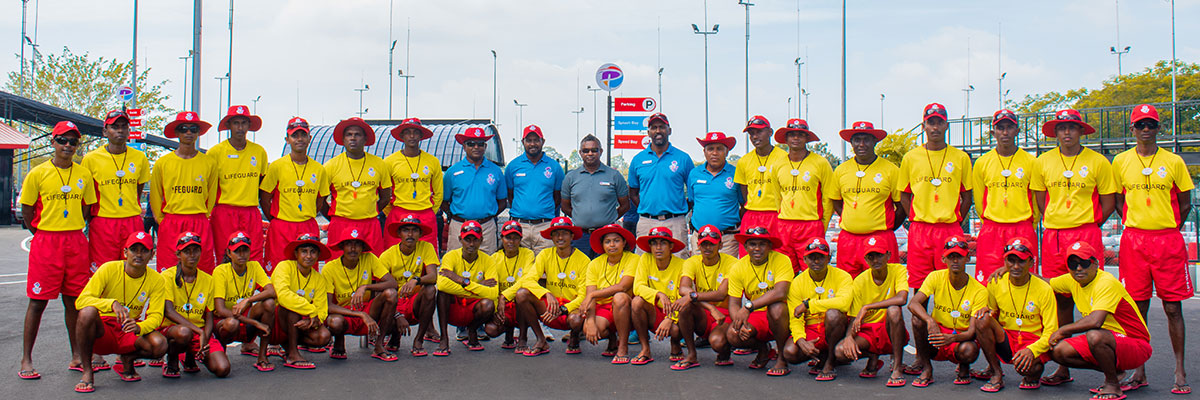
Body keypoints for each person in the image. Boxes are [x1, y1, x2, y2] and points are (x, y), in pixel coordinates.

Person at [1029, 108, 1117, 385]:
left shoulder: (1098, 161)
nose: (1067, 132)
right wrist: (1059, 222)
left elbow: (1108, 203)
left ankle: (1109, 365)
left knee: (1093, 299)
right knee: (1060, 297)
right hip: (1055, 235)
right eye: (1062, 128)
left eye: (1072, 127)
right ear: (1055, 133)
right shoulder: (1043, 162)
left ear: (1081, 131)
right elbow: (1041, 201)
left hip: (1086, 233)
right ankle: (1063, 365)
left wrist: (1086, 225)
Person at [1111, 104, 1193, 394]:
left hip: (1166, 241)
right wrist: (1137, 224)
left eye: (1151, 124)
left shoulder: (1173, 162)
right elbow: (1119, 200)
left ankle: (1180, 369)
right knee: (1137, 307)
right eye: (1140, 124)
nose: (1146, 129)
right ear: (1132, 129)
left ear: (1159, 128)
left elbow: (1185, 203)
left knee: (1172, 307)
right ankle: (1139, 369)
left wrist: (1166, 227)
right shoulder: (1120, 161)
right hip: (1135, 240)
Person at [19, 121, 98, 380]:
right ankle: (26, 359)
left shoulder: (84, 174)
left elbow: (87, 209)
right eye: (62, 140)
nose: (67, 145)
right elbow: (27, 212)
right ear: (52, 142)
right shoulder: (38, 173)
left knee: (74, 301)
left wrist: (70, 229)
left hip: (75, 242)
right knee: (38, 302)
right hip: (47, 242)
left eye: (73, 141)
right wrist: (43, 234)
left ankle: (77, 355)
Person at [1046, 241, 1152, 400]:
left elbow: (1096, 321)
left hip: (1135, 343)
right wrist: (1008, 270)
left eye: (1084, 263)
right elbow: (1042, 281)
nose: (1079, 268)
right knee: (1058, 351)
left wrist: (1062, 330)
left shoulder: (1105, 282)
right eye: (1073, 264)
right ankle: (1115, 372)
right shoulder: (1071, 280)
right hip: (1107, 341)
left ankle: (1113, 385)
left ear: (1095, 264)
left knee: (1095, 335)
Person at [73, 231, 169, 392]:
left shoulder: (157, 279)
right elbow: (81, 301)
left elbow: (156, 315)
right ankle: (87, 372)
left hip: (129, 328)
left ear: (152, 254)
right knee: (87, 312)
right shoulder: (108, 269)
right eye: (134, 249)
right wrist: (111, 304)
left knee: (160, 345)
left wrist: (140, 327)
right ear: (125, 252)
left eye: (144, 250)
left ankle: (128, 359)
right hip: (104, 329)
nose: (138, 255)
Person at [898, 103, 973, 289]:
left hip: (949, 228)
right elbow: (904, 195)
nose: (935, 128)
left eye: (940, 123)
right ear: (924, 126)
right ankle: (920, 318)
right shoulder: (911, 157)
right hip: (920, 230)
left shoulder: (960, 158)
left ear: (947, 125)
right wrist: (914, 218)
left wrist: (956, 220)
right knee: (919, 283)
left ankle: (948, 317)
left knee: (951, 281)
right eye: (931, 123)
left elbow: (967, 197)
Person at [972, 237, 1057, 392]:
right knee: (981, 319)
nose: (1016, 266)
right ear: (1005, 262)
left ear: (1031, 263)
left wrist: (1032, 350)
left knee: (1031, 372)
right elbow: (992, 312)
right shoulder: (996, 282)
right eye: (1011, 261)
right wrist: (986, 311)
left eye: (1022, 261)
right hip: (1008, 338)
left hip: (1032, 339)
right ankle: (996, 372)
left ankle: (1032, 372)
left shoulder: (1045, 289)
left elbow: (1051, 331)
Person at [907, 236, 987, 387]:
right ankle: (927, 368)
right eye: (951, 256)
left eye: (959, 256)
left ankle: (964, 367)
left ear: (968, 258)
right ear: (944, 259)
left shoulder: (979, 290)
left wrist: (951, 339)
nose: (955, 261)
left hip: (960, 337)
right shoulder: (935, 276)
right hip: (938, 332)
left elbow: (971, 332)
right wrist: (930, 321)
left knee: (969, 349)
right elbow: (913, 303)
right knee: (917, 319)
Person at [828, 121, 905, 276]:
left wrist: (887, 226)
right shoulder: (841, 170)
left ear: (875, 141)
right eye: (857, 140)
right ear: (851, 142)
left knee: (882, 286)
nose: (861, 144)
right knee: (849, 286)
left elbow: (901, 206)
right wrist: (851, 219)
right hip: (849, 240)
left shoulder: (891, 170)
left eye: (866, 139)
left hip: (880, 238)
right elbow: (836, 201)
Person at [971, 109, 1038, 283]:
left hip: (1022, 227)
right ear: (993, 132)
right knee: (988, 280)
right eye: (1001, 128)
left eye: (1010, 127)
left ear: (1017, 130)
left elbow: (1036, 199)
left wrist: (1029, 221)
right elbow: (979, 200)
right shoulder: (982, 163)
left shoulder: (1031, 162)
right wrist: (992, 220)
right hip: (992, 229)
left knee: (1024, 281)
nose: (1005, 132)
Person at [506, 217, 589, 356]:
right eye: (556, 233)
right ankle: (541, 339)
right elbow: (528, 280)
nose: (560, 237)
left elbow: (583, 295)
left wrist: (564, 309)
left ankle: (574, 337)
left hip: (570, 308)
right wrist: (546, 294)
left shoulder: (584, 260)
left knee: (576, 319)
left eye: (564, 233)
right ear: (551, 237)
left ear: (572, 236)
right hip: (551, 306)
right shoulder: (545, 254)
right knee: (522, 294)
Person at [835, 238, 910, 387]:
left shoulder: (898, 270)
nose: (875, 260)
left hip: (890, 328)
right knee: (840, 351)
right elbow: (854, 316)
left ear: (888, 255)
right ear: (865, 259)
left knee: (894, 310)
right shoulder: (860, 280)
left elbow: (902, 298)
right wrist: (849, 337)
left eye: (879, 255)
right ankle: (873, 356)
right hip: (869, 331)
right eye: (871, 256)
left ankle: (897, 366)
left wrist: (868, 307)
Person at [83, 110, 151, 271]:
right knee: (103, 271)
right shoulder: (91, 159)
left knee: (133, 269)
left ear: (129, 130)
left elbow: (138, 189)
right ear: (105, 131)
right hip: (103, 222)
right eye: (114, 127)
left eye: (123, 126)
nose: (119, 130)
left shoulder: (139, 157)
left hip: (131, 221)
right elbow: (87, 196)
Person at [151, 111, 219, 273]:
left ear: (198, 133)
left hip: (199, 220)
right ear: (176, 132)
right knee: (168, 268)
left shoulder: (209, 162)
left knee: (203, 267)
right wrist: (164, 221)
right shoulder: (163, 163)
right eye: (183, 128)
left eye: (193, 129)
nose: (188, 132)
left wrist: (203, 215)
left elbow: (212, 195)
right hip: (172, 221)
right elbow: (155, 196)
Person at [260, 117, 331, 269]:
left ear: (309, 138)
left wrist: (305, 214)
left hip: (307, 226)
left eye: (303, 135)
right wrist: (278, 219)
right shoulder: (277, 166)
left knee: (306, 271)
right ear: (287, 139)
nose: (299, 139)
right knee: (278, 270)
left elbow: (320, 201)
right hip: (281, 227)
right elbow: (265, 199)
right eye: (294, 135)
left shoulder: (319, 169)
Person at [159, 232, 231, 378]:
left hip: (199, 330)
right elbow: (169, 311)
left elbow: (209, 315)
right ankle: (172, 359)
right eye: (187, 251)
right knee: (184, 333)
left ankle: (190, 357)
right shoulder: (167, 277)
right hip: (175, 329)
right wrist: (199, 332)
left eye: (196, 250)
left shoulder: (208, 280)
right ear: (178, 254)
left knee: (223, 369)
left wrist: (205, 337)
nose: (192, 255)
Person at [725, 226, 794, 376]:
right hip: (758, 316)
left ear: (770, 246)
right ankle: (764, 350)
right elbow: (734, 303)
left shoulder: (782, 260)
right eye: (752, 244)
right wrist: (739, 323)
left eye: (762, 244)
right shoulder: (738, 267)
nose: (757, 248)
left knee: (776, 308)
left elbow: (781, 292)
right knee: (733, 334)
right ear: (745, 247)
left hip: (784, 315)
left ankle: (782, 358)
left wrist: (749, 307)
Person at [322, 227, 399, 361]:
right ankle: (339, 343)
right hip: (344, 313)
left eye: (357, 244)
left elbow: (393, 283)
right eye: (349, 244)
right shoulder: (330, 268)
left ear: (363, 247)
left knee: (391, 294)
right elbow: (328, 305)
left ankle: (379, 345)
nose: (353, 248)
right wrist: (361, 314)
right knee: (335, 322)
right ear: (342, 246)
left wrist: (366, 287)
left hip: (368, 308)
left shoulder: (369, 258)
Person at [782, 237, 853, 380]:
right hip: (812, 328)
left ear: (829, 258)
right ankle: (822, 354)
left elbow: (844, 303)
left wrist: (809, 305)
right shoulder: (797, 282)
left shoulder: (843, 276)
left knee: (833, 314)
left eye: (820, 257)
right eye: (811, 257)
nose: (816, 261)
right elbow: (795, 317)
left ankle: (831, 361)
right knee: (790, 352)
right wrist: (801, 340)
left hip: (836, 327)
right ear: (804, 259)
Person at [208, 105, 269, 265]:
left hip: (250, 212)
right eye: (236, 123)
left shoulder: (259, 152)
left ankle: (253, 290)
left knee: (254, 256)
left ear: (249, 125)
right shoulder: (215, 153)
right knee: (225, 256)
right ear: (228, 125)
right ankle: (225, 289)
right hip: (224, 212)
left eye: (244, 123)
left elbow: (263, 187)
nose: (240, 127)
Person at [673, 225, 739, 370]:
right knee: (686, 306)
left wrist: (692, 296)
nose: (707, 248)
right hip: (705, 312)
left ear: (720, 245)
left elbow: (721, 294)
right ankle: (691, 354)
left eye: (712, 244)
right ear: (698, 245)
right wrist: (709, 306)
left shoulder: (732, 263)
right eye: (704, 244)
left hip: (724, 314)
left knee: (717, 342)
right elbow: (683, 288)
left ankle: (725, 351)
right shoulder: (692, 262)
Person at [324, 118, 392, 258]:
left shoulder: (379, 164)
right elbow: (320, 200)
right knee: (337, 268)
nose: (353, 138)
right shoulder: (331, 166)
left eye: (357, 134)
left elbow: (385, 196)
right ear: (343, 139)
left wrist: (369, 211)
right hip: (341, 224)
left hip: (369, 225)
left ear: (365, 139)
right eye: (349, 134)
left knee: (373, 267)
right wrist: (334, 219)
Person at [773, 119, 833, 273]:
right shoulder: (778, 164)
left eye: (801, 134)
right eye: (792, 134)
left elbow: (828, 198)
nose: (796, 138)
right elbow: (777, 197)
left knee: (812, 271)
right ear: (786, 139)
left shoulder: (820, 163)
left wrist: (822, 226)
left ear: (807, 138)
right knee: (785, 271)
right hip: (785, 226)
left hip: (810, 225)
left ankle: (811, 298)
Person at [628, 113, 693, 256]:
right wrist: (647, 206)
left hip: (675, 221)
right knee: (644, 263)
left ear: (669, 130)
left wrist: (679, 210)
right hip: (647, 221)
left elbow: (693, 192)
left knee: (679, 264)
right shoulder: (638, 160)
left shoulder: (683, 158)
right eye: (654, 127)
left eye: (662, 127)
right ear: (648, 132)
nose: (658, 131)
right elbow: (633, 192)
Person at [212, 231, 277, 372]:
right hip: (226, 321)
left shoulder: (254, 266)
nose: (242, 255)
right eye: (237, 251)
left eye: (245, 250)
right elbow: (220, 310)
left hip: (245, 318)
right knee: (231, 323)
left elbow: (271, 291)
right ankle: (221, 350)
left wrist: (248, 300)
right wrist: (255, 323)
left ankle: (262, 357)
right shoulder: (221, 271)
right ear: (229, 253)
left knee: (269, 303)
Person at [269, 233, 333, 369]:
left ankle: (288, 346)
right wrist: (311, 311)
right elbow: (283, 295)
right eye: (304, 251)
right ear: (296, 253)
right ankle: (292, 353)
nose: (309, 256)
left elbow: (322, 309)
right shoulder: (284, 267)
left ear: (318, 255)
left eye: (313, 252)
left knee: (323, 336)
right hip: (276, 321)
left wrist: (313, 320)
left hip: (302, 320)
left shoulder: (319, 279)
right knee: (291, 309)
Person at [435, 220, 499, 355]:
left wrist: (463, 281)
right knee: (442, 294)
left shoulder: (489, 260)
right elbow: (441, 284)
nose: (471, 244)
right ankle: (444, 338)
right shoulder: (450, 256)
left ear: (481, 240)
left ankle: (472, 330)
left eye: (475, 240)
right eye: (467, 240)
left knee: (488, 304)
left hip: (473, 307)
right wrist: (480, 287)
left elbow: (493, 293)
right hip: (455, 305)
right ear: (460, 239)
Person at [379, 215, 440, 356]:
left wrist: (416, 280)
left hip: (414, 300)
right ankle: (394, 336)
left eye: (414, 230)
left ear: (420, 234)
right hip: (394, 302)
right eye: (406, 230)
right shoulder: (387, 255)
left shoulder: (426, 247)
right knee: (387, 297)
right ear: (399, 234)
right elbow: (379, 292)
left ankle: (418, 340)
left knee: (431, 290)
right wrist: (397, 315)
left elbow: (433, 276)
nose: (410, 234)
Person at [561, 134, 630, 257]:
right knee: (581, 273)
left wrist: (610, 217)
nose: (590, 153)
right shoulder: (571, 177)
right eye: (586, 151)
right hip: (581, 236)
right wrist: (579, 217)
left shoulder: (614, 175)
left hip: (606, 236)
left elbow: (625, 205)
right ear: (580, 153)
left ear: (601, 151)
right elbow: (565, 206)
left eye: (594, 150)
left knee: (605, 271)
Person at [579, 223, 638, 363]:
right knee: (590, 330)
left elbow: (623, 287)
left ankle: (623, 347)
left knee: (619, 297)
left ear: (624, 243)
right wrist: (591, 321)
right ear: (602, 245)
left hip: (627, 306)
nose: (612, 245)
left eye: (616, 240)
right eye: (607, 241)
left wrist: (593, 295)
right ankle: (612, 339)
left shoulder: (634, 259)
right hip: (603, 307)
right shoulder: (594, 264)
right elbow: (590, 295)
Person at [629, 227, 687, 366]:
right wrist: (658, 294)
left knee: (676, 328)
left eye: (663, 243)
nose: (658, 248)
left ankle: (676, 344)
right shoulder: (645, 259)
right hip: (654, 312)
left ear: (671, 246)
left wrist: (670, 318)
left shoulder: (682, 265)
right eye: (654, 243)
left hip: (674, 314)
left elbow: (684, 298)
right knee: (636, 302)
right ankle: (645, 349)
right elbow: (638, 287)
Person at [443, 128, 507, 253]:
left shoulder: (495, 171)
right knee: (456, 264)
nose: (476, 147)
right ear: (464, 146)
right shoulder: (453, 172)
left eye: (480, 144)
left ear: (485, 146)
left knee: (487, 265)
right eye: (471, 144)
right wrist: (455, 216)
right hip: (459, 226)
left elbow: (502, 201)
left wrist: (488, 216)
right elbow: (444, 201)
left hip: (486, 227)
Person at [383, 118, 442, 250]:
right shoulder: (389, 162)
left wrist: (430, 212)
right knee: (394, 256)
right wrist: (391, 213)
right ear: (401, 136)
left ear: (421, 136)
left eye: (416, 132)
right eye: (408, 132)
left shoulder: (432, 161)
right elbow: (384, 192)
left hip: (425, 214)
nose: (411, 136)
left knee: (426, 258)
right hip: (398, 215)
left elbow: (438, 193)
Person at [506, 125, 564, 254]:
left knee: (544, 270)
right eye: (529, 140)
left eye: (536, 140)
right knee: (520, 269)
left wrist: (542, 210)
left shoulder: (554, 166)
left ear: (542, 142)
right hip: (520, 226)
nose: (532, 144)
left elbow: (557, 196)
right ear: (523, 142)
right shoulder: (513, 166)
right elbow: (511, 195)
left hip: (544, 226)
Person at [735, 115, 788, 254]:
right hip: (752, 214)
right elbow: (744, 190)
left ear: (770, 132)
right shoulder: (744, 161)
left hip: (776, 215)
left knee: (778, 256)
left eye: (759, 132)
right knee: (749, 257)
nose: (754, 136)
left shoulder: (784, 158)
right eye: (751, 133)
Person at [687, 132, 741, 256]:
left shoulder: (736, 173)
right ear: (704, 152)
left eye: (719, 149)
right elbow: (692, 201)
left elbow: (743, 203)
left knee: (726, 275)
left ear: (727, 152)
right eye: (710, 149)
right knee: (699, 274)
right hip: (700, 238)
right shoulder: (694, 173)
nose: (715, 153)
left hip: (727, 239)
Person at [491, 220, 535, 350]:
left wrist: (504, 296)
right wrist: (497, 304)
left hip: (519, 300)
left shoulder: (528, 254)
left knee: (522, 295)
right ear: (501, 238)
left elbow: (527, 279)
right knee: (491, 330)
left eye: (516, 238)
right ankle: (508, 335)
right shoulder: (494, 257)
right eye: (508, 238)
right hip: (501, 301)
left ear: (521, 239)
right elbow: (493, 284)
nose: (511, 242)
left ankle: (522, 337)